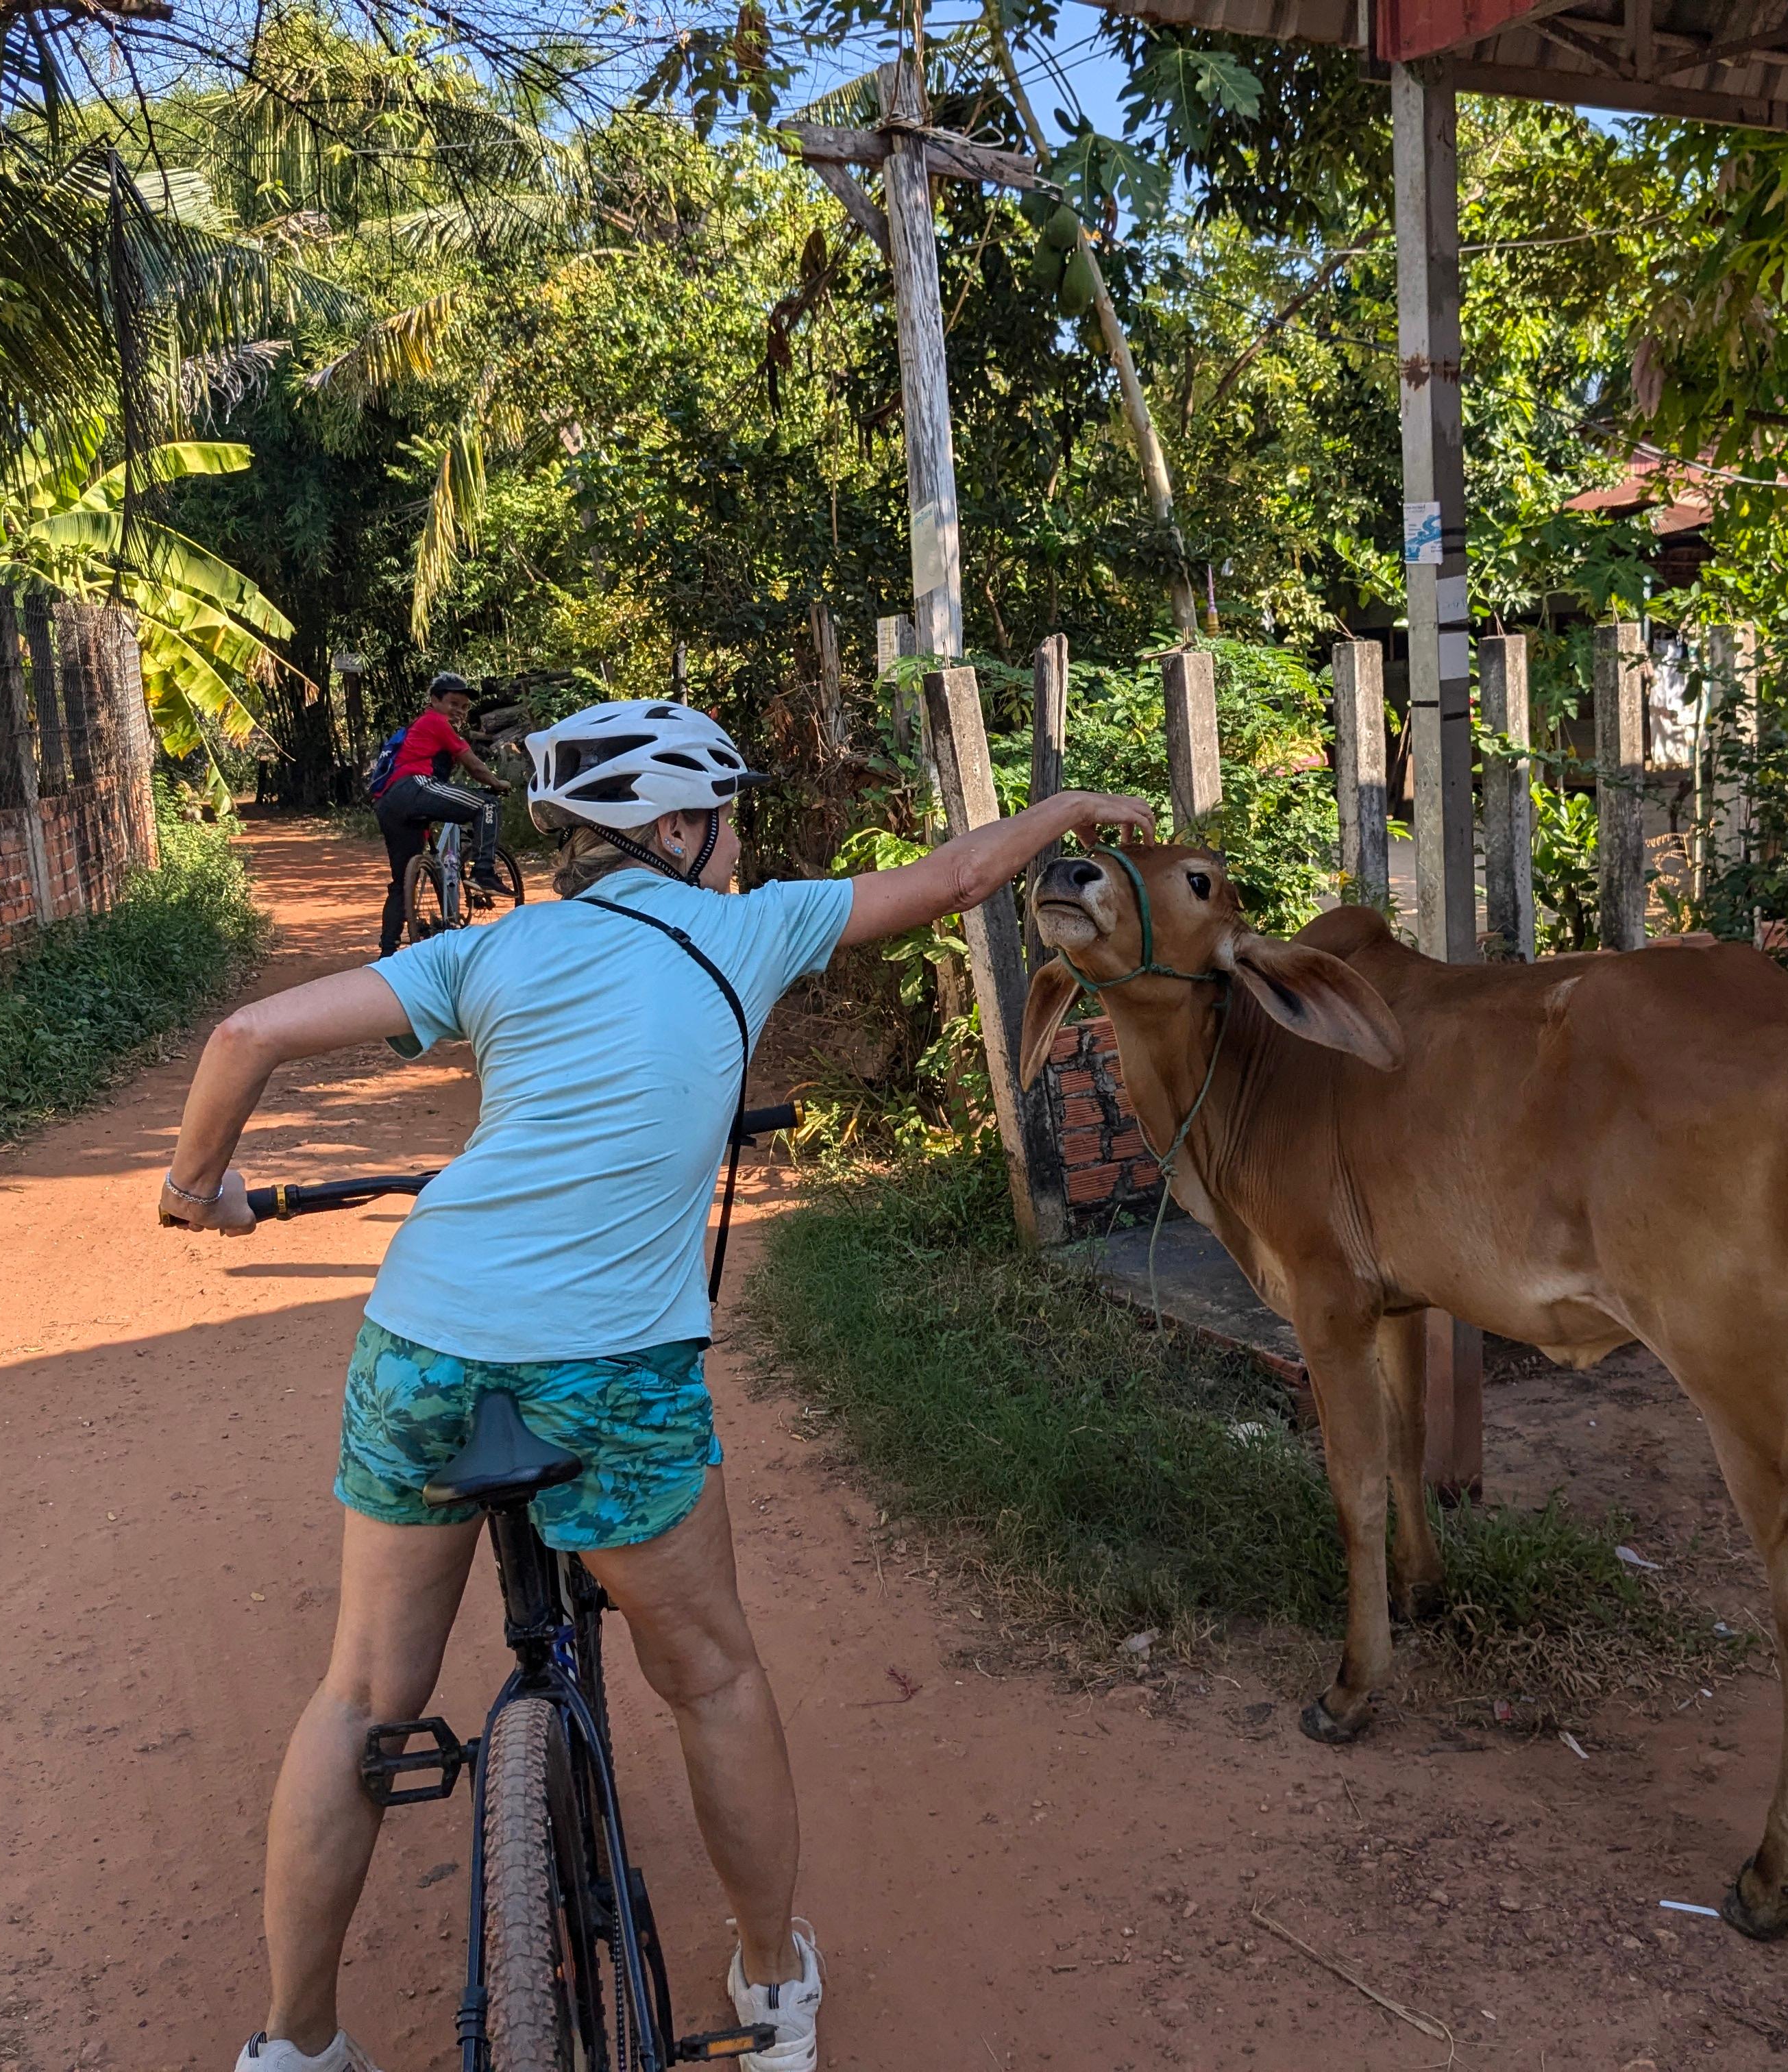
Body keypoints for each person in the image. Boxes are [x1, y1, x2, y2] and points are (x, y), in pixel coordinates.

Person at [160, 693, 1156, 2072]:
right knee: (714, 1677)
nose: (741, 846)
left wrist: (196, 1189)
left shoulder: (491, 950)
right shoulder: (748, 931)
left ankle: (292, 2046)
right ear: (678, 830)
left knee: (361, 1698)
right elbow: (960, 877)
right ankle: (767, 1988)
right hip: (614, 1370)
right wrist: (1069, 815)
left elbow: (242, 1041)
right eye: (729, 820)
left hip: (423, 1345)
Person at [374, 671, 511, 954]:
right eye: (453, 703)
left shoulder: (418, 727)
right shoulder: (435, 722)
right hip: (414, 787)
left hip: (388, 803)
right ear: (434, 701)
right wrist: (497, 783)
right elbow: (474, 766)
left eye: (464, 707)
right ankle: (484, 871)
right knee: (486, 804)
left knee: (402, 881)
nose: (459, 711)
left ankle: (388, 950)